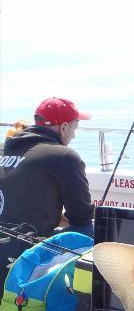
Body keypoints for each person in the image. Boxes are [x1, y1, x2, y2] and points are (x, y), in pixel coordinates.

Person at [0, 97, 95, 239]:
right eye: (74, 127)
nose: (74, 135)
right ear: (63, 128)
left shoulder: (3, 149)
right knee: (87, 230)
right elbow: (81, 217)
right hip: (23, 251)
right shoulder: (64, 157)